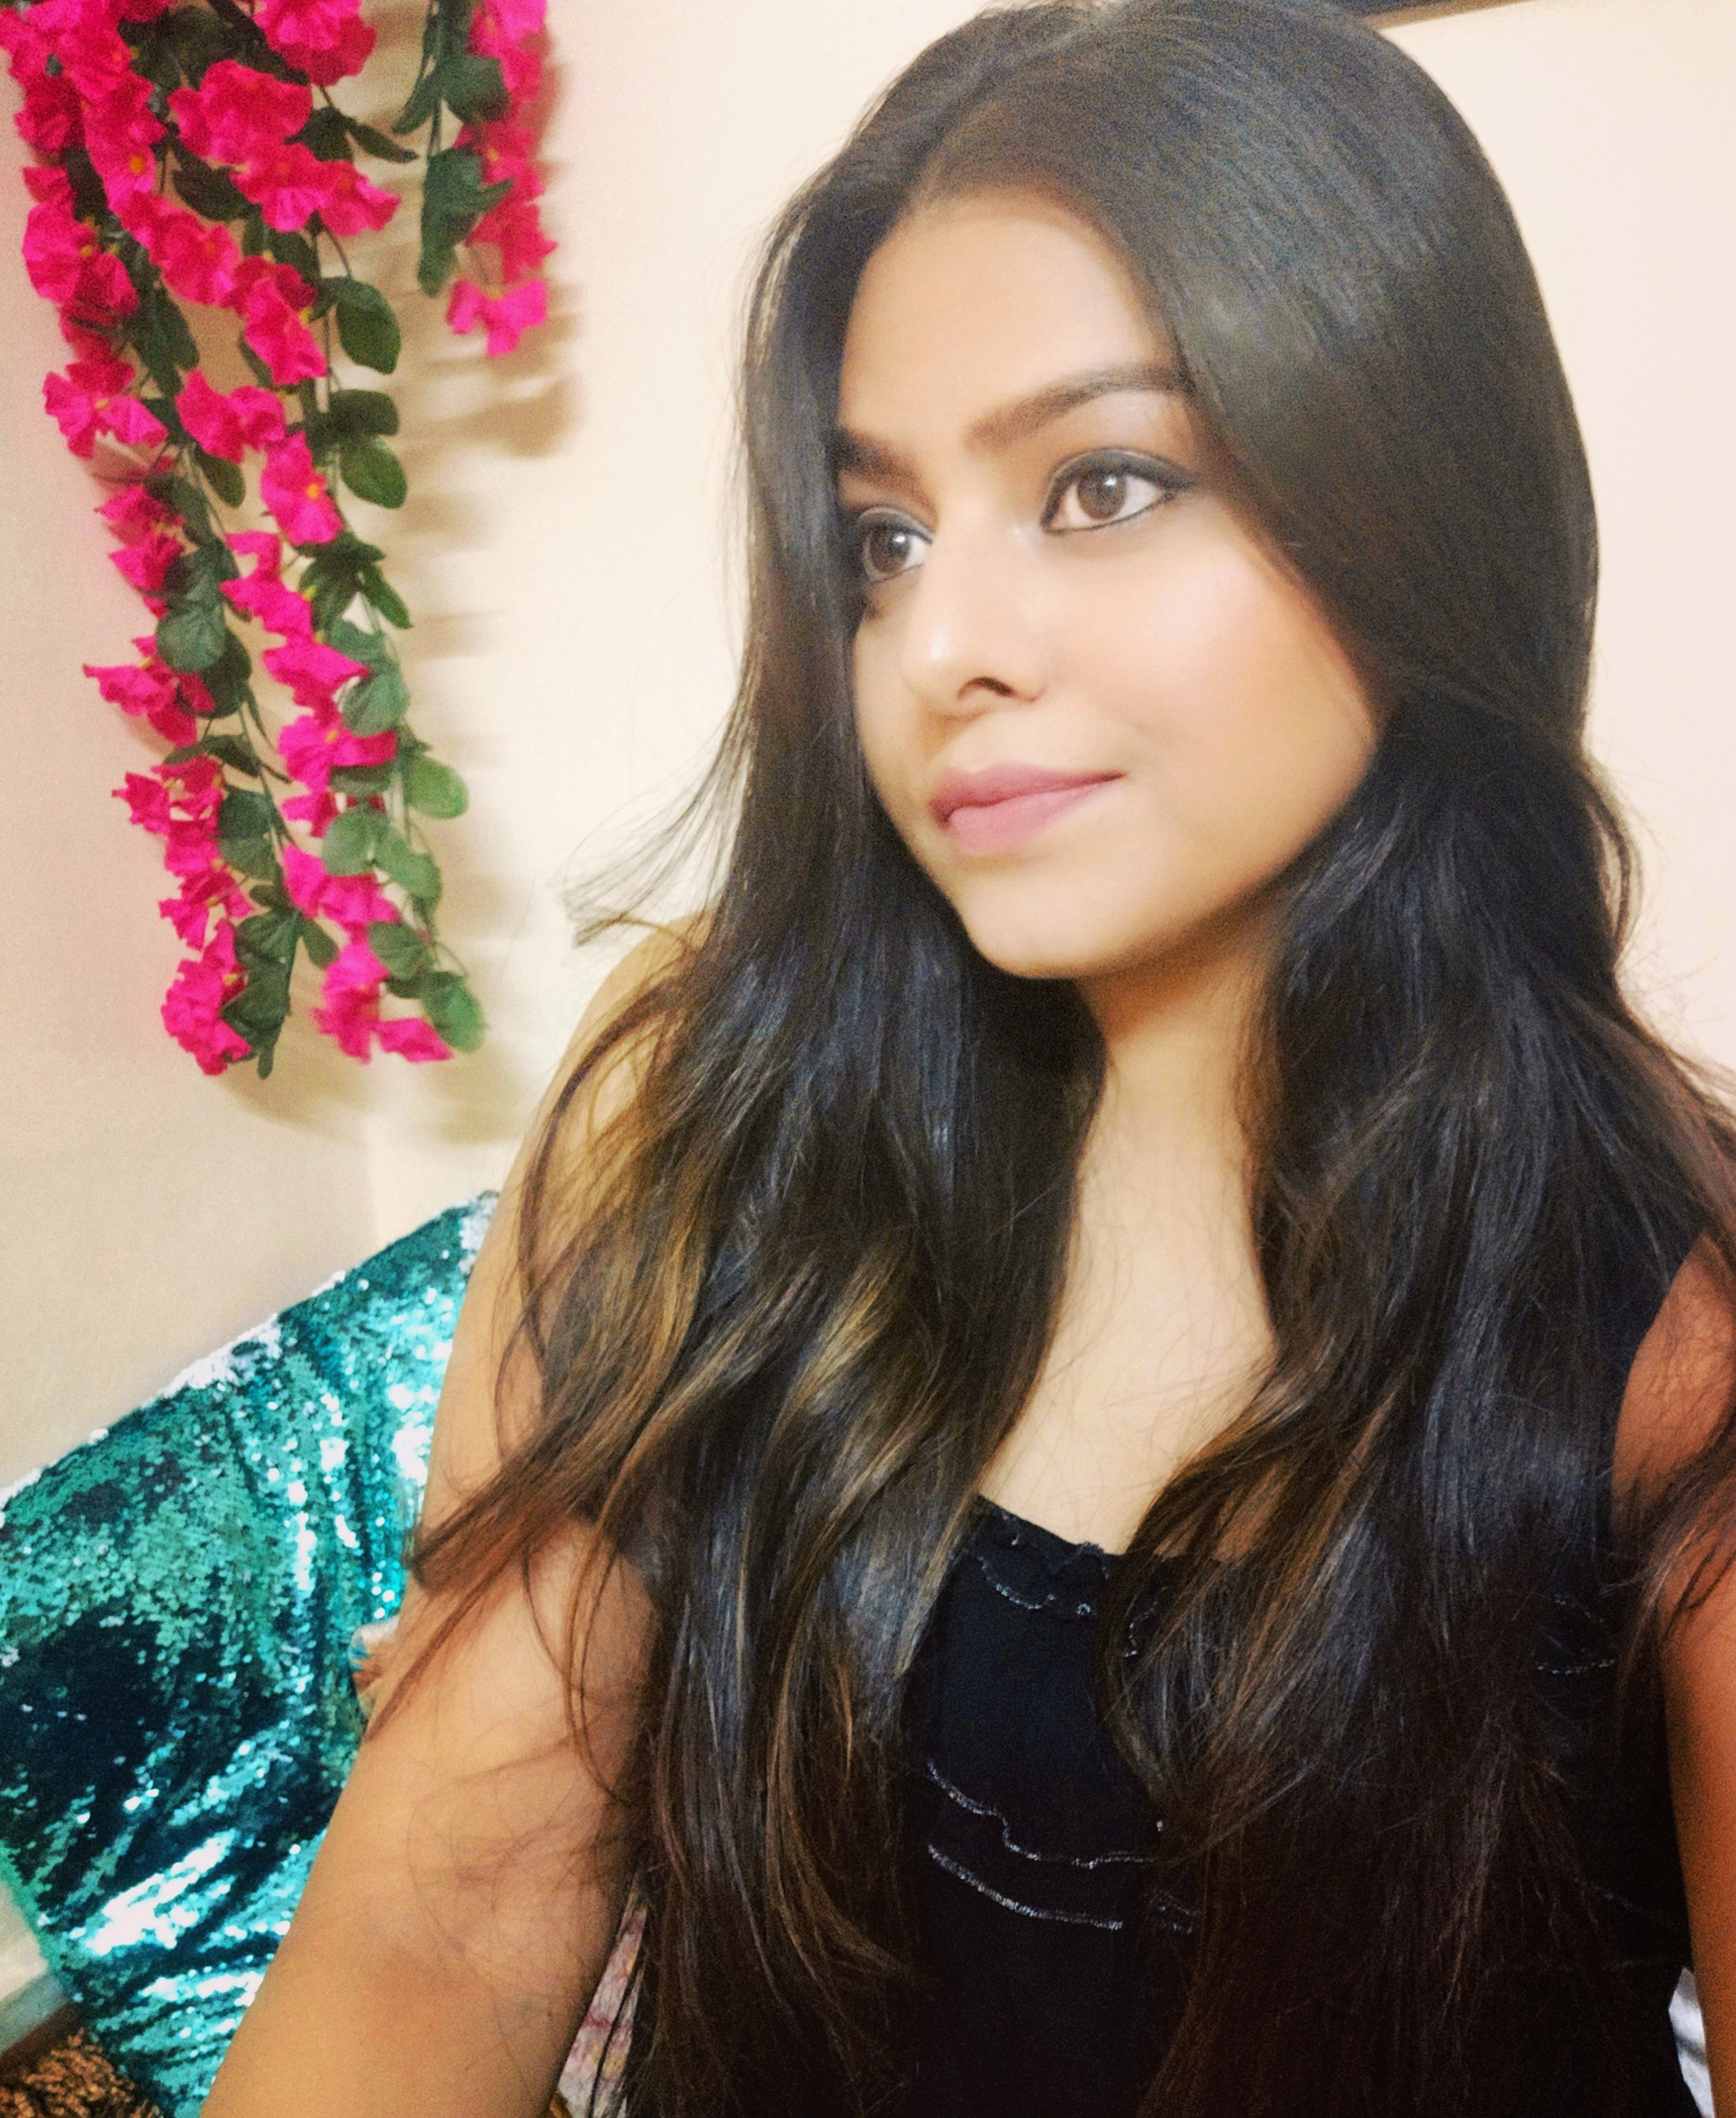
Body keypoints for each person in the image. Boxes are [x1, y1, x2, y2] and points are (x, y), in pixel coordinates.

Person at [204, 1, 1736, 2112]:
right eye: (884, 538)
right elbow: (439, 1916)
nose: (938, 648)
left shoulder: (1671, 1330)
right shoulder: (697, 1112)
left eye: (1103, 485)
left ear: (1417, 494)